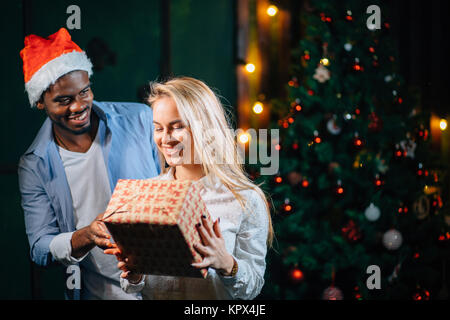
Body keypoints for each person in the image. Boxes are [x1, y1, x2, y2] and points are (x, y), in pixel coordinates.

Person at [18, 28, 160, 300]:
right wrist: (85, 236)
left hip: (166, 286)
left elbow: (176, 184)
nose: (78, 106)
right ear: (40, 102)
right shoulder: (34, 165)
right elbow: (39, 247)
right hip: (101, 294)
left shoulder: (141, 120)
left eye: (84, 92)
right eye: (64, 100)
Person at [105, 77, 274, 299]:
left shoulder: (244, 199)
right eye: (158, 128)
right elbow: (135, 287)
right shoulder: (145, 194)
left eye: (177, 127)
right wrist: (134, 274)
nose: (165, 139)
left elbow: (252, 288)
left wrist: (227, 264)